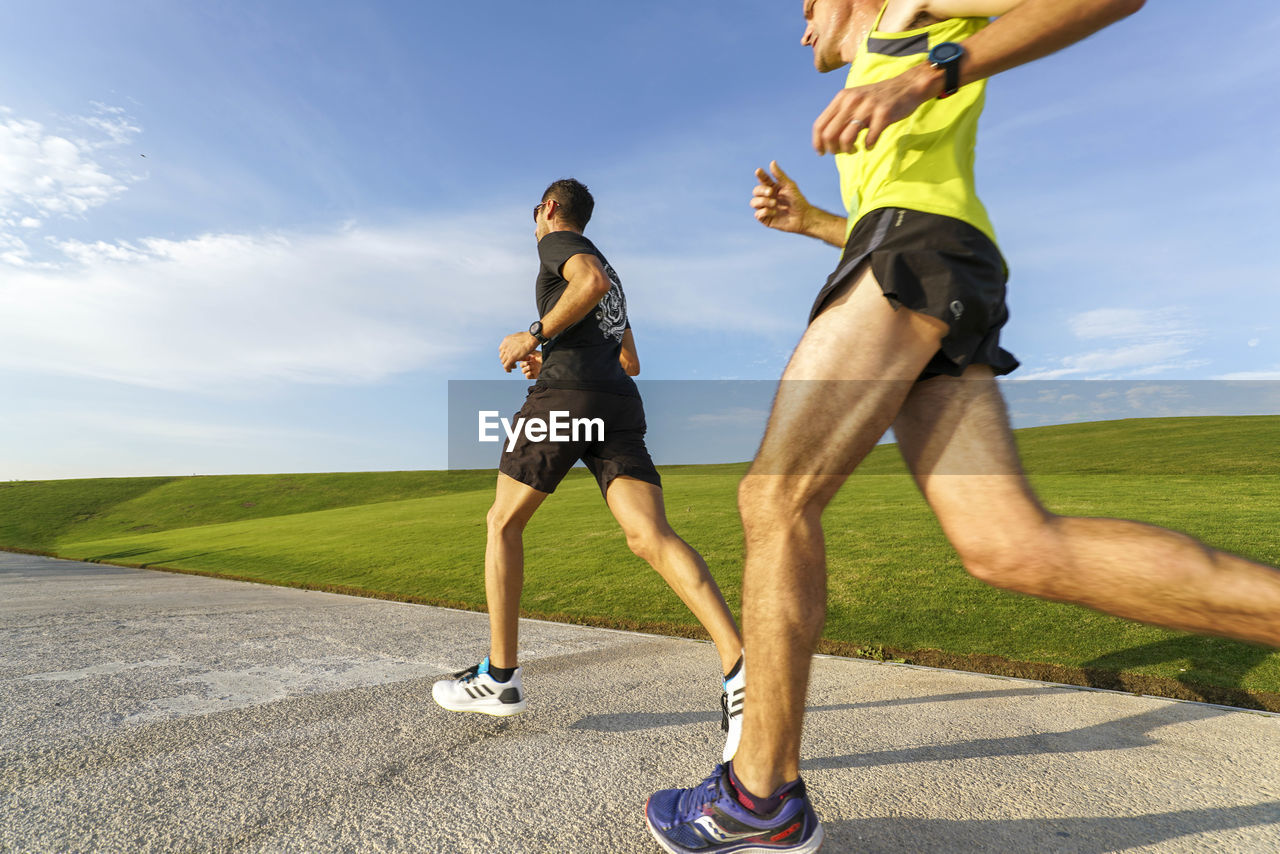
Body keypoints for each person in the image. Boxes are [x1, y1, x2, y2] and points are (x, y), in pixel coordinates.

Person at [645, 0, 1280, 851]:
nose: (801, 31)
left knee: (775, 495)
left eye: (805, 7)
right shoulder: (879, 74)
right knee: (1013, 547)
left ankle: (760, 800)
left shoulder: (907, 11)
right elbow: (883, 220)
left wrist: (929, 71)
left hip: (916, 257)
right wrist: (809, 224)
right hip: (922, 261)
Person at [433, 178, 746, 761]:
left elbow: (587, 284)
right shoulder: (613, 275)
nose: (534, 224)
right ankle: (740, 668)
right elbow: (629, 356)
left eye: (535, 214)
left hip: (567, 400)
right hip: (615, 402)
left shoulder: (559, 246)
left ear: (549, 209)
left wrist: (531, 335)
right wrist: (554, 351)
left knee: (502, 523)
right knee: (650, 535)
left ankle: (499, 677)